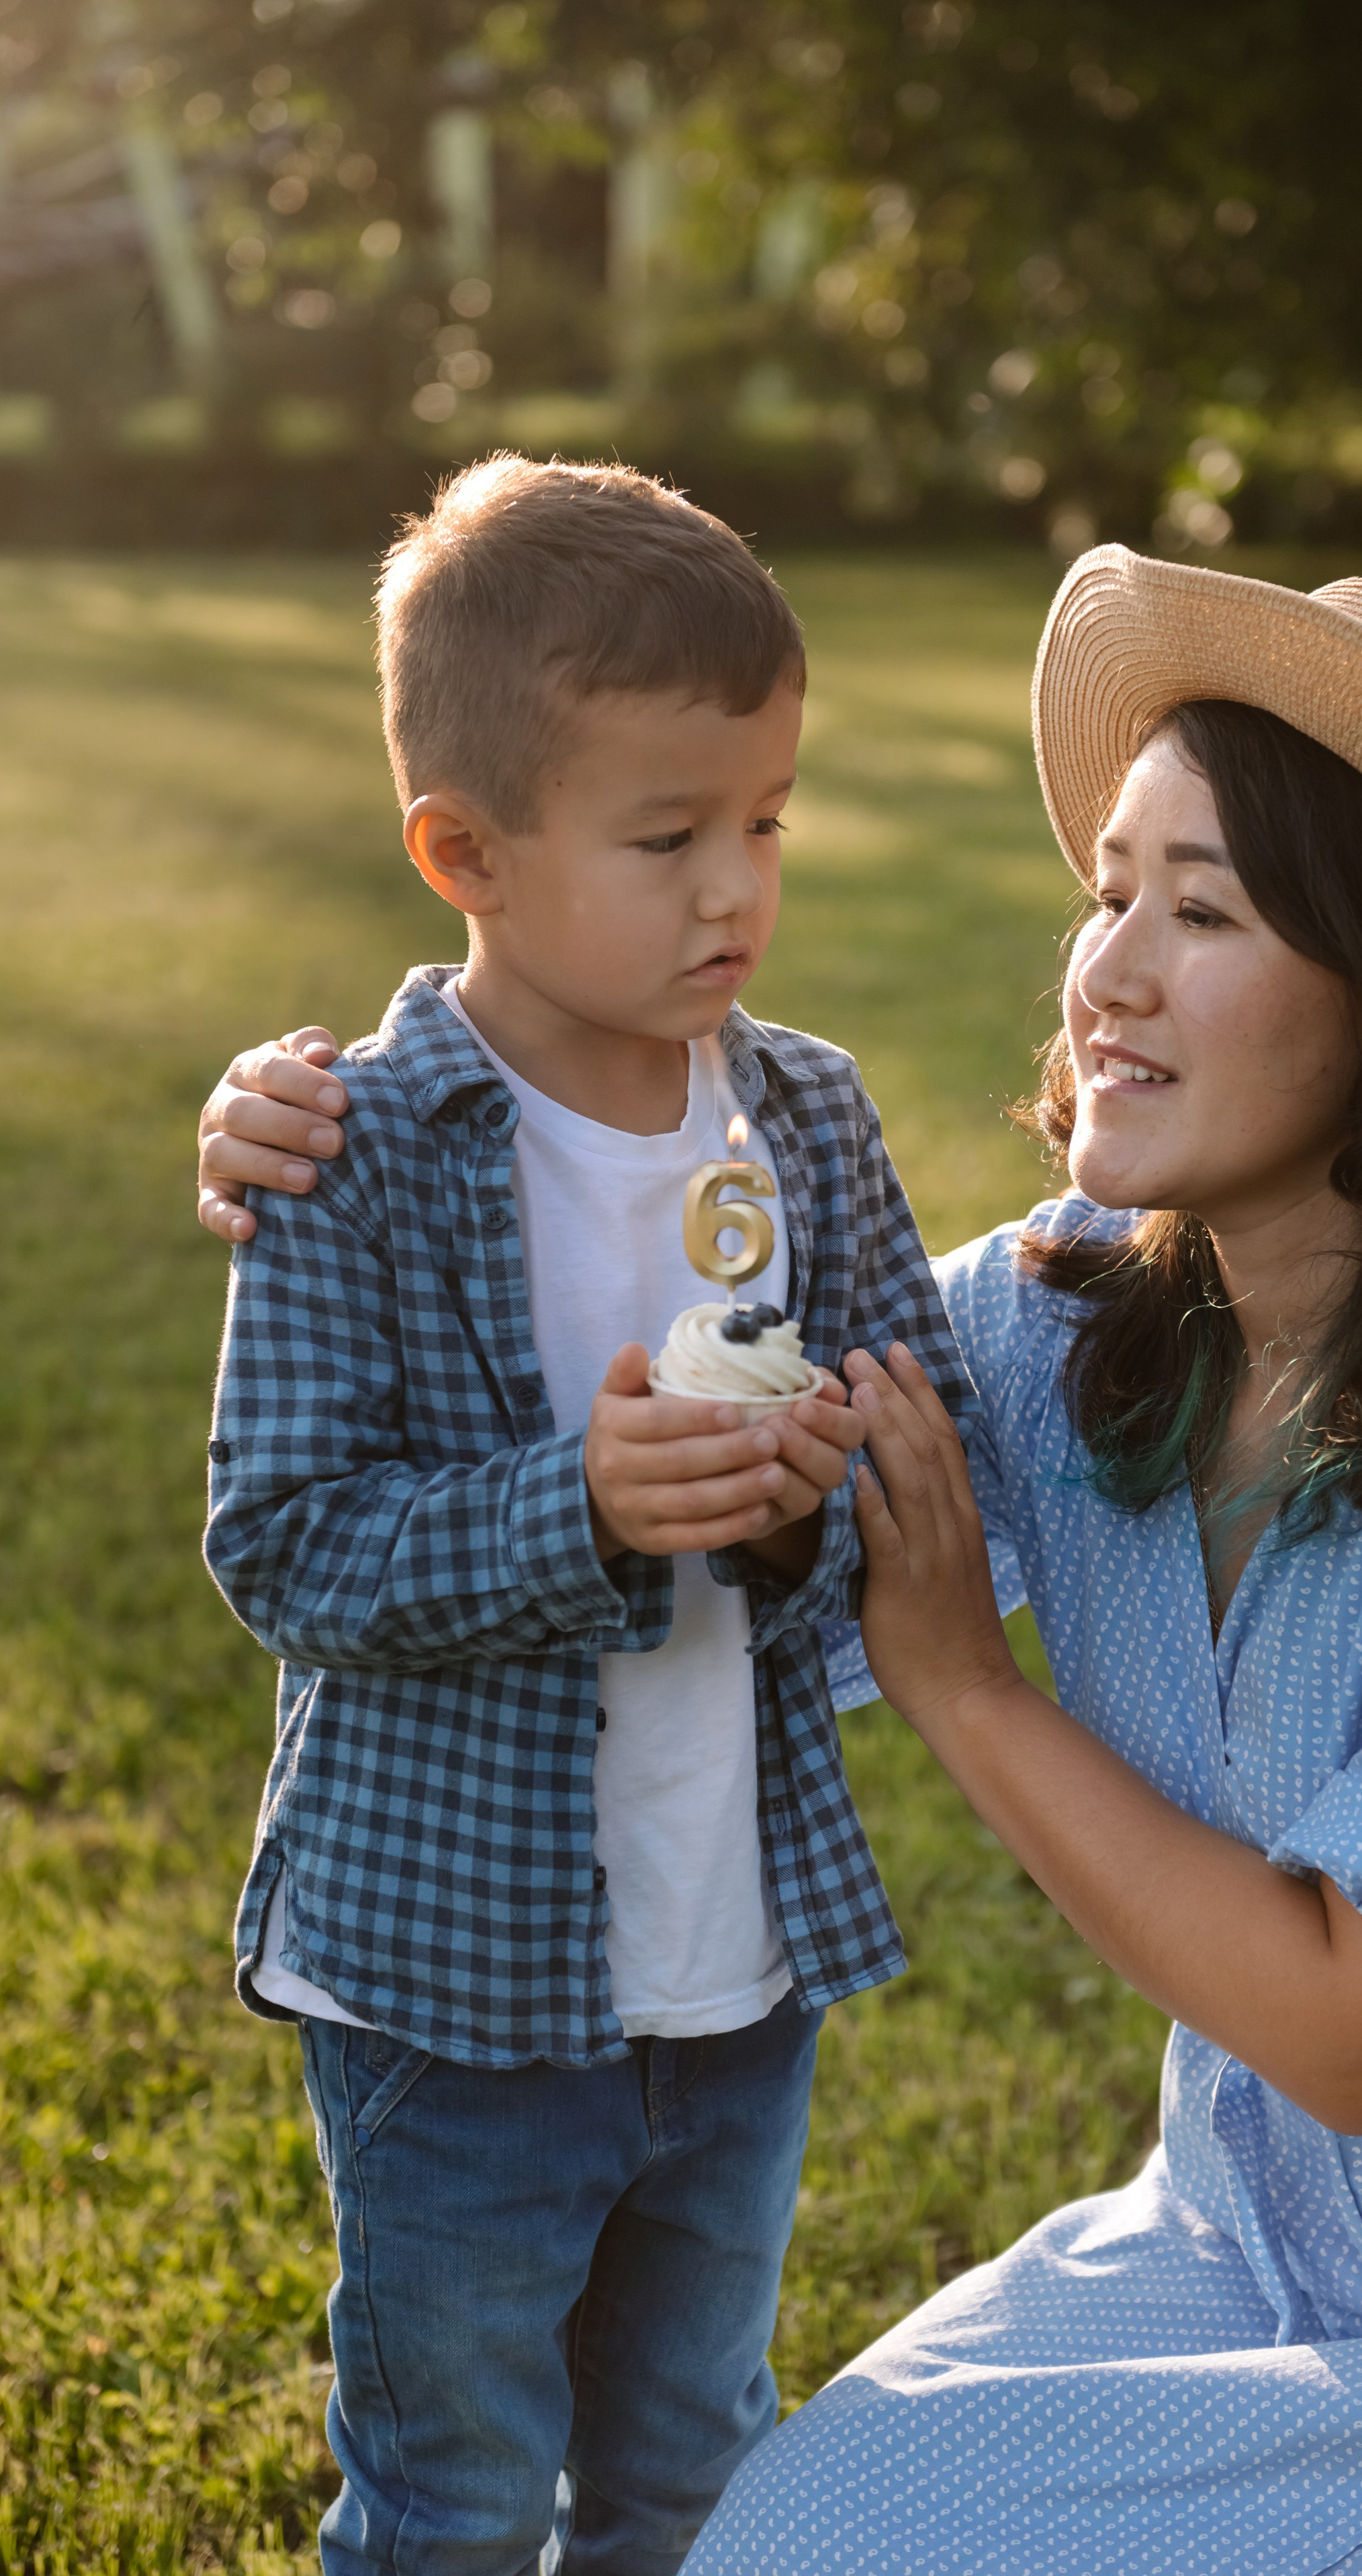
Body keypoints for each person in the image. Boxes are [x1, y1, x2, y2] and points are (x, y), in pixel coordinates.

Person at [202, 554, 1362, 2571]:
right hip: (1246, 2256)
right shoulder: (1055, 1317)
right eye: (1110, 892)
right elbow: (710, 1423)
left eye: (1205, 913)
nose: (1102, 973)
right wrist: (339, 1129)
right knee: (780, 2548)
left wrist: (969, 1685)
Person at [199, 454, 971, 2576]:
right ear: (466, 851)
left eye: (768, 820)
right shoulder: (353, 1149)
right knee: (450, 2486)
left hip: (733, 1969)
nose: (738, 887)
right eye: (668, 838)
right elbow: (285, 1543)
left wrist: (830, 1483)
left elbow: (925, 1422)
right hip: (454, 1990)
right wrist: (584, 1508)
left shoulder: (803, 1110)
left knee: (697, 2464)